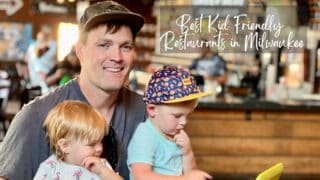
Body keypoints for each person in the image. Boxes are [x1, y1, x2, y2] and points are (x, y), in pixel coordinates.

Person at [0, 1, 146, 180]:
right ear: (80, 51)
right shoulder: (36, 117)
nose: (116, 57)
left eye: (125, 47)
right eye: (104, 45)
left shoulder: (148, 113)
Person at [127, 66, 212, 180]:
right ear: (152, 109)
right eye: (177, 116)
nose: (184, 122)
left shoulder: (177, 136)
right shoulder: (146, 135)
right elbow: (141, 176)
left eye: (188, 115)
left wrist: (187, 153)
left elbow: (191, 174)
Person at [34, 100, 122, 180]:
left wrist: (102, 171)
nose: (99, 148)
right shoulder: (50, 167)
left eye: (100, 141)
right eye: (92, 144)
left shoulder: (101, 166)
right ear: (65, 146)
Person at [25, 26, 57, 94]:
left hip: (47, 75)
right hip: (39, 77)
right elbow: (28, 59)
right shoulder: (32, 47)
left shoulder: (52, 45)